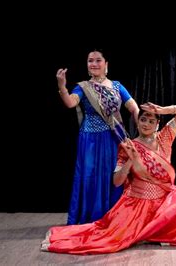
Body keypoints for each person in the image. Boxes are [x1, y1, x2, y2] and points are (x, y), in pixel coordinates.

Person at [41, 102, 176, 254]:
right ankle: (149, 233)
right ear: (137, 121)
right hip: (138, 205)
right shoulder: (128, 147)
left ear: (157, 124)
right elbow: (117, 182)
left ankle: (155, 233)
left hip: (165, 199)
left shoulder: (165, 138)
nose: (146, 124)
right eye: (143, 119)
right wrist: (132, 159)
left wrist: (163, 109)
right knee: (110, 239)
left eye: (152, 121)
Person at [57, 48, 139, 225]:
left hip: (114, 140)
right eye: (90, 61)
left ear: (106, 64)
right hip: (91, 141)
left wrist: (142, 128)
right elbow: (71, 103)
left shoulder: (117, 86)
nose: (93, 64)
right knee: (90, 177)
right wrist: (62, 86)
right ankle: (91, 217)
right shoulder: (83, 87)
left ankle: (114, 217)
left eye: (98, 60)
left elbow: (133, 107)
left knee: (114, 177)